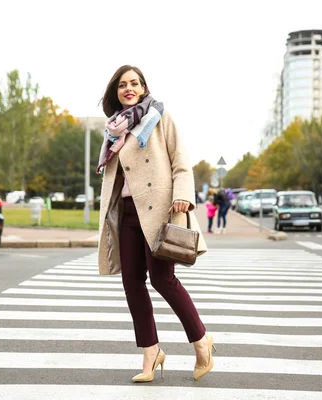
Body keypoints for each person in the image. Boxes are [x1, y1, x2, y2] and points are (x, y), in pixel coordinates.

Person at [96, 65, 215, 383]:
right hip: (127, 212)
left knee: (163, 280)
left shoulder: (160, 118)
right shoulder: (113, 130)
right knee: (132, 283)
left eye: (135, 83)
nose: (129, 88)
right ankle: (151, 352)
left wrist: (183, 196)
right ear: (116, 92)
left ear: (144, 88)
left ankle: (201, 341)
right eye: (122, 85)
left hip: (160, 210)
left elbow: (181, 161)